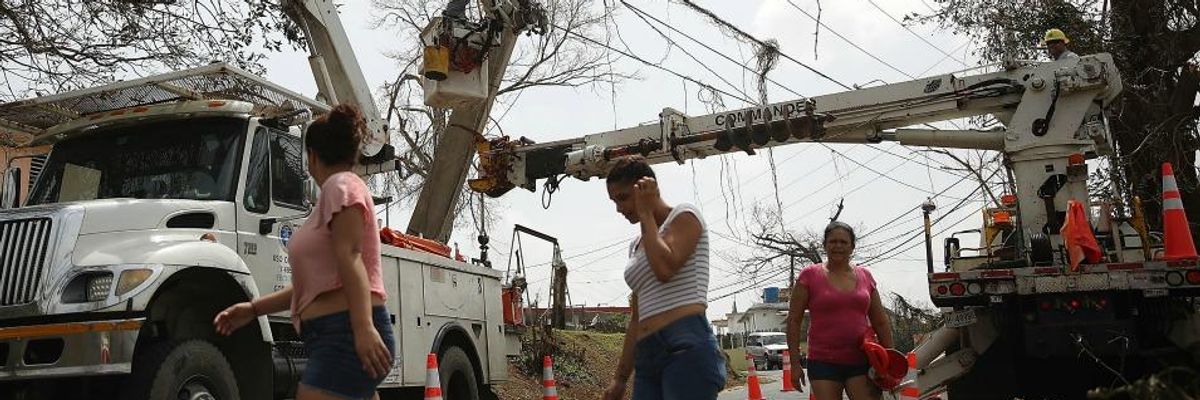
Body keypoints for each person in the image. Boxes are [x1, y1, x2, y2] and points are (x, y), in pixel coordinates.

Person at [213, 104, 394, 400]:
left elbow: (351, 257)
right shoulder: (328, 202)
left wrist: (362, 329)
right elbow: (310, 287)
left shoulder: (341, 185)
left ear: (311, 157)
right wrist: (253, 309)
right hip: (332, 336)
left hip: (345, 333)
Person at [601, 156, 726, 400]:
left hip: (684, 343)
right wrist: (620, 378)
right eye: (614, 201)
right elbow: (637, 317)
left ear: (646, 189)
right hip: (648, 354)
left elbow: (665, 268)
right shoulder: (637, 245)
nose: (619, 208)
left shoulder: (684, 215)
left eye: (623, 198)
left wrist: (646, 213)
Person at [786, 221, 894, 400]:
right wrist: (795, 365)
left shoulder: (865, 276)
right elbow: (793, 321)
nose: (838, 246)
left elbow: (880, 321)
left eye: (843, 242)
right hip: (823, 363)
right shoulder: (809, 276)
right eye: (833, 241)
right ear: (825, 245)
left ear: (852, 247)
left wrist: (890, 358)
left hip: (862, 361)